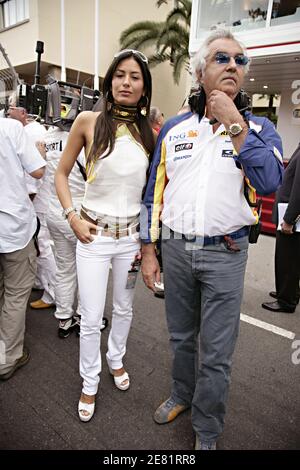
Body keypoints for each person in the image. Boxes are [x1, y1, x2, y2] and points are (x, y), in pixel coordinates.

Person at [141, 29, 283, 450]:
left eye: (241, 61)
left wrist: (234, 124)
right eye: (223, 58)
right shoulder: (175, 129)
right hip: (177, 249)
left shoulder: (259, 128)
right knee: (182, 338)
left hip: (227, 253)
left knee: (217, 353)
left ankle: (207, 430)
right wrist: (150, 250)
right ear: (202, 70)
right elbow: (154, 192)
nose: (234, 66)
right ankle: (182, 396)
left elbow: (270, 180)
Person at [55, 49, 155, 422]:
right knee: (91, 314)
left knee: (125, 308)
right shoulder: (87, 121)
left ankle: (115, 359)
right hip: (92, 238)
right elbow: (61, 174)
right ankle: (89, 380)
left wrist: (149, 244)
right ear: (109, 81)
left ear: (144, 88)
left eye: (135, 77)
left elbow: (151, 193)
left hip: (129, 240)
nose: (126, 82)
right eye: (120, 75)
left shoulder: (149, 132)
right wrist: (71, 218)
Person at [44, 125, 108, 338]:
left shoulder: (47, 137)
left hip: (55, 209)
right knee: (89, 270)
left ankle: (64, 318)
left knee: (64, 268)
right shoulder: (83, 138)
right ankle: (84, 317)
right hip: (79, 212)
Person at [0, 118, 46, 380]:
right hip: (12, 227)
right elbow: (38, 171)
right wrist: (38, 153)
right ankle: (6, 360)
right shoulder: (10, 128)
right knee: (16, 295)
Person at [7, 99, 56, 309]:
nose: (7, 112)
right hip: (40, 199)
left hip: (39, 201)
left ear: (23, 111)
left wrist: (27, 200)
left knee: (44, 246)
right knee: (40, 245)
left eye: (11, 108)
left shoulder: (30, 132)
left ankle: (53, 294)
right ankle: (42, 283)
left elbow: (35, 174)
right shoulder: (32, 130)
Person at [262, 143, 300, 313]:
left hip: (291, 216)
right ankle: (288, 291)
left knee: (287, 260)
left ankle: (286, 300)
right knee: (290, 259)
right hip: (289, 211)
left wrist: (289, 219)